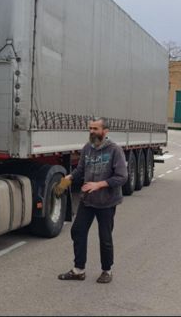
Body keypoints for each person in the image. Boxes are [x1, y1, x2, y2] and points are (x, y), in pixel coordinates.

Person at [55, 117, 127, 284]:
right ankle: (79, 270)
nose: (92, 131)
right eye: (90, 128)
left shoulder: (115, 150)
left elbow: (122, 177)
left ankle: (106, 270)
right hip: (88, 200)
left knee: (105, 237)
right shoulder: (87, 148)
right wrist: (69, 179)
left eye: (95, 128)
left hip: (107, 202)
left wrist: (100, 184)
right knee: (77, 231)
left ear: (105, 131)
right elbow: (81, 170)